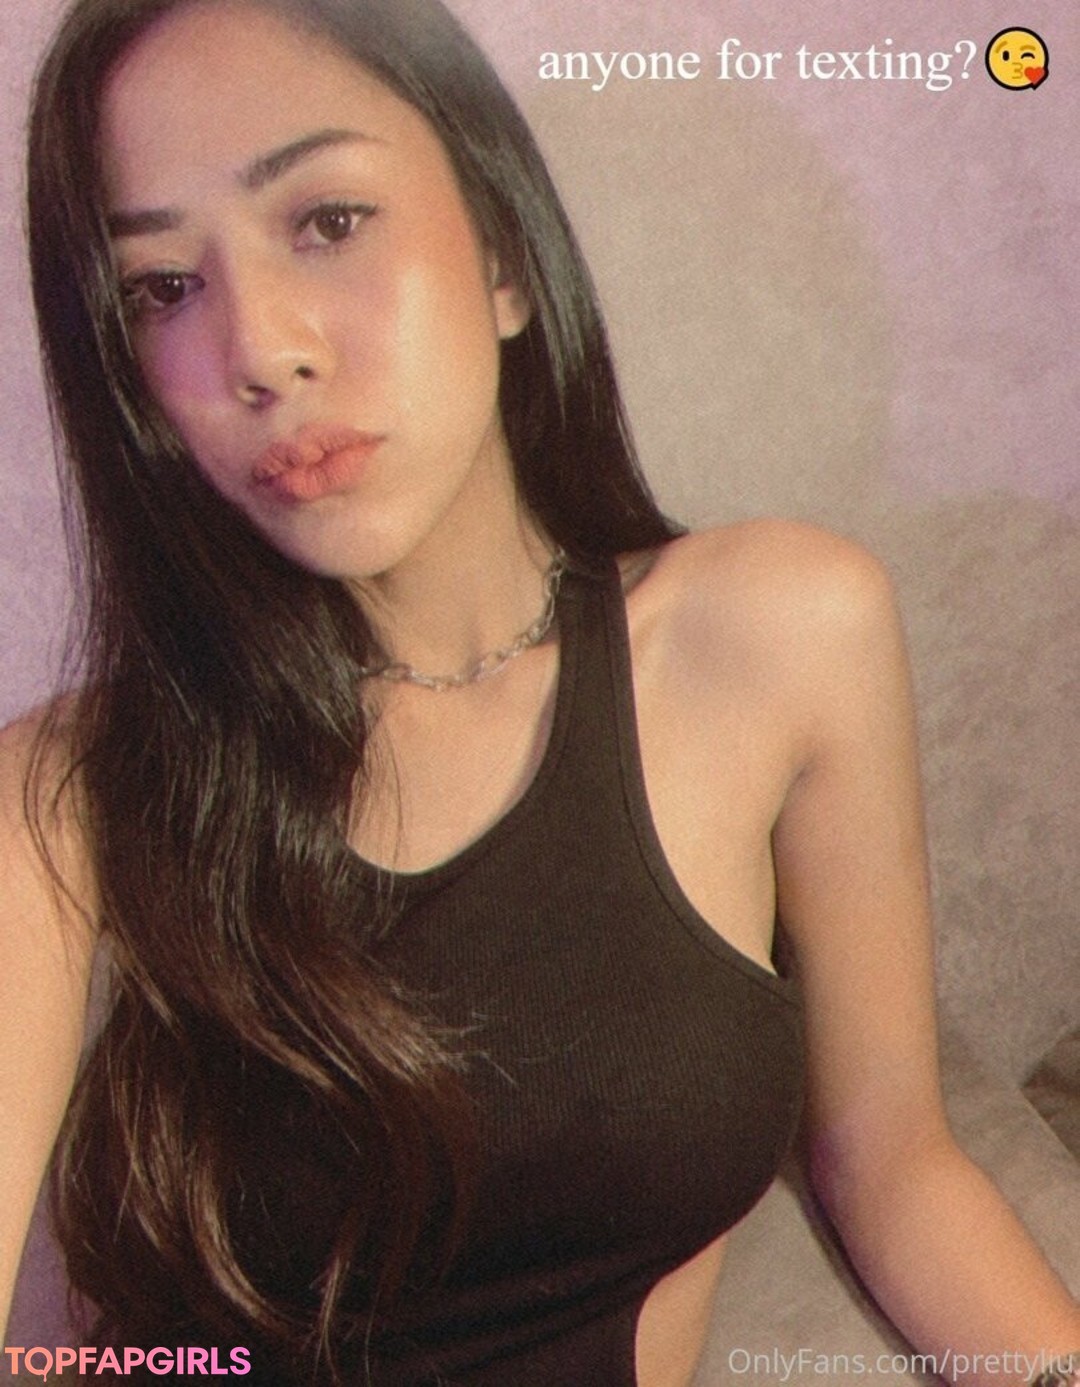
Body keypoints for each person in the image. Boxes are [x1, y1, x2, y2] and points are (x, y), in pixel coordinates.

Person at [2, 0, 1078, 1383]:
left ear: (505, 253)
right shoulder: (69, 798)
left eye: (328, 220)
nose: (260, 350)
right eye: (162, 288)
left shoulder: (777, 633)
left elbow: (894, 1166)